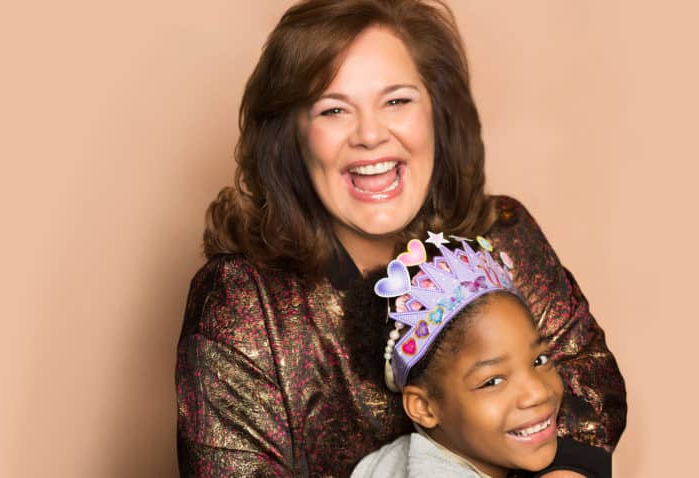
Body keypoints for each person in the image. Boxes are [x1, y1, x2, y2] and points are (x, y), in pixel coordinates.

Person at [176, 0, 626, 476]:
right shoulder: (241, 300)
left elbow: (586, 373)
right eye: (333, 110)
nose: (370, 134)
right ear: (292, 137)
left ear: (438, 112)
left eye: (397, 100)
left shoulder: (502, 233)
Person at [351, 237, 564, 478]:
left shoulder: (385, 462)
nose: (539, 392)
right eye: (492, 381)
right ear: (424, 407)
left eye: (540, 360)